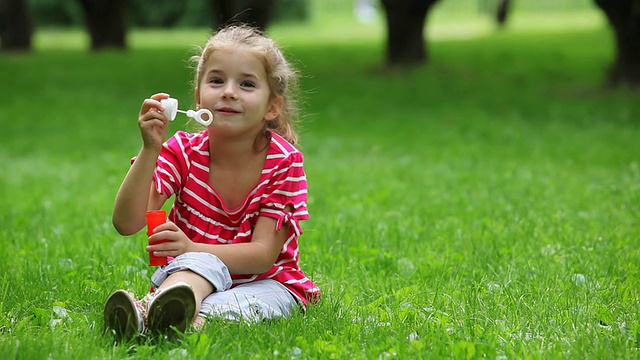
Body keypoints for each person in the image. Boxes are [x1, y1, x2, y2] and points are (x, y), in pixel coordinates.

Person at [104, 25, 321, 341]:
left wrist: (190, 248)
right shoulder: (182, 152)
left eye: (246, 84)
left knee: (235, 304)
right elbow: (126, 222)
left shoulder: (284, 163)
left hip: (268, 282)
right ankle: (164, 315)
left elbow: (262, 255)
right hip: (191, 277)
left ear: (272, 107)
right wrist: (150, 149)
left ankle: (157, 319)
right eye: (217, 81)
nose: (229, 92)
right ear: (198, 96)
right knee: (198, 268)